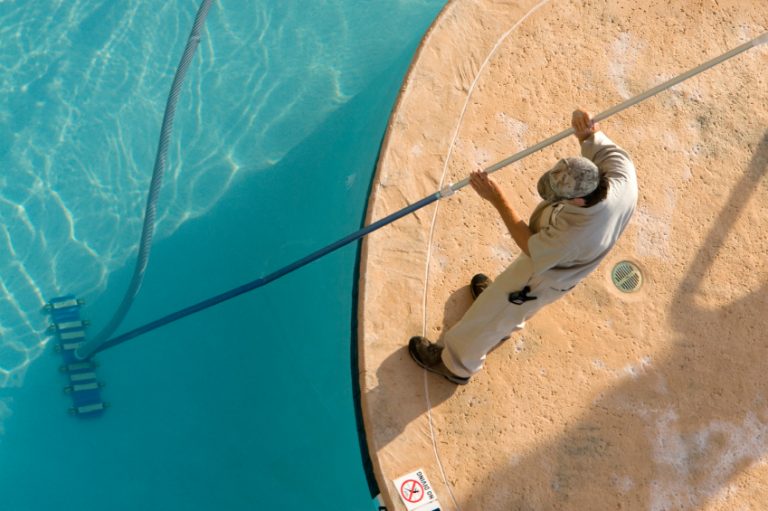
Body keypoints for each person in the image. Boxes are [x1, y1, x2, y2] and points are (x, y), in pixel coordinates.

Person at [409, 109, 638, 384]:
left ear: (578, 201)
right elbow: (594, 139)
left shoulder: (576, 233)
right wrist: (586, 130)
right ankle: (501, 308)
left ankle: (457, 364)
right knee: (504, 300)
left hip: (545, 276)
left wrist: (496, 198)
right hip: (555, 260)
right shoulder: (618, 171)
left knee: (500, 310)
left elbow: (529, 244)